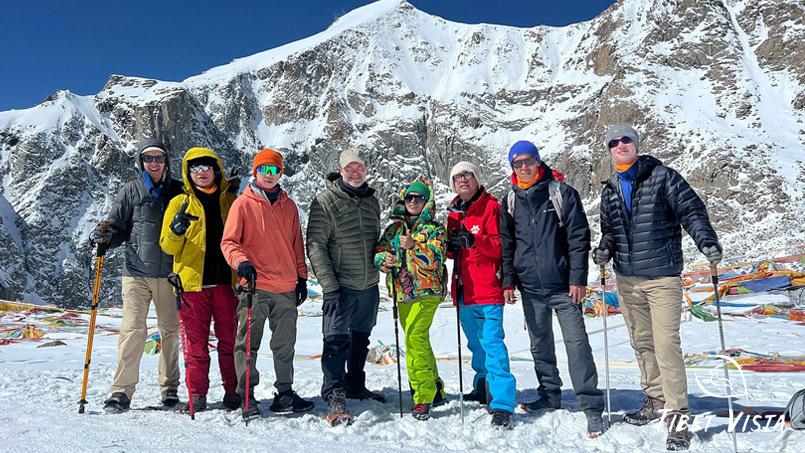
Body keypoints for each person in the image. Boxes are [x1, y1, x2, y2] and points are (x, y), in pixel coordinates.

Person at [593, 124, 722, 450]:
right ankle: (654, 399)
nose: (620, 145)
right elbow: (609, 229)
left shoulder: (663, 177)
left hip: (662, 278)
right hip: (627, 279)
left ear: (635, 144)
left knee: (666, 347)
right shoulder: (609, 189)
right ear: (609, 149)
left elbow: (691, 209)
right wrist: (605, 247)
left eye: (625, 140)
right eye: (614, 141)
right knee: (642, 344)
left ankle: (678, 419)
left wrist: (705, 240)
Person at [499, 140, 605, 437]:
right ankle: (549, 394)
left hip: (563, 286)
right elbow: (507, 246)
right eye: (517, 163)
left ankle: (591, 407)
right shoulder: (509, 199)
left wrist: (578, 279)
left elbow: (578, 238)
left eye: (528, 160)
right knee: (540, 345)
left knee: (577, 345)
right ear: (512, 167)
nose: (523, 166)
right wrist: (508, 280)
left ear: (538, 161)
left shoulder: (561, 193)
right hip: (530, 287)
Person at [221, 148, 314, 419]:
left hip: (285, 287)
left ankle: (284, 393)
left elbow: (297, 244)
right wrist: (241, 262)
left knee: (285, 345)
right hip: (255, 287)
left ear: (280, 173)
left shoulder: (289, 205)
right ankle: (246, 395)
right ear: (256, 171)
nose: (269, 175)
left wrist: (301, 278)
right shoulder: (243, 203)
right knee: (248, 344)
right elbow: (229, 242)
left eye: (274, 170)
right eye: (264, 169)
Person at [92, 138, 184, 413]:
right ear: (140, 162)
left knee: (170, 331)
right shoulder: (131, 191)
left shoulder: (179, 191)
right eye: (148, 159)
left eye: (158, 158)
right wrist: (106, 237)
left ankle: (169, 389)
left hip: (168, 274)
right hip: (135, 274)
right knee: (133, 330)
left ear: (167, 161)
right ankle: (121, 391)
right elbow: (118, 227)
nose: (153, 163)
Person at [159, 146, 240, 412]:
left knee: (230, 343)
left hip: (227, 285)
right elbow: (167, 246)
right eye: (194, 168)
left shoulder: (231, 201)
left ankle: (233, 392)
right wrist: (176, 230)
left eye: (206, 167)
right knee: (195, 346)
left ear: (216, 169)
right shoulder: (179, 203)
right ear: (187, 172)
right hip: (192, 287)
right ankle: (197, 396)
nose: (201, 172)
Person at [306, 148, 382, 426]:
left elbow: (377, 241)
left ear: (366, 169)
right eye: (349, 167)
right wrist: (329, 286)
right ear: (340, 170)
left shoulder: (372, 201)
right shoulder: (326, 201)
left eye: (359, 166)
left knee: (361, 339)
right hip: (340, 285)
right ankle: (334, 393)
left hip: (369, 284)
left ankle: (355, 385)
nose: (355, 171)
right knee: (336, 341)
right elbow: (315, 245)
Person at [446, 161, 517, 429]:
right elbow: (454, 251)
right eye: (457, 177)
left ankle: (501, 403)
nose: (463, 180)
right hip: (464, 291)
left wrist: (475, 241)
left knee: (493, 345)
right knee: (476, 345)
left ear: (476, 179)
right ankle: (483, 385)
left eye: (467, 175)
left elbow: (501, 246)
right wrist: (452, 246)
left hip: (487, 290)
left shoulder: (491, 207)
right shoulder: (453, 212)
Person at [374, 178, 448, 421]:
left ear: (427, 201)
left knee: (414, 337)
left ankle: (422, 396)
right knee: (419, 341)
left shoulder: (434, 229)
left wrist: (413, 245)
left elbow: (437, 256)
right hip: (402, 293)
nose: (413, 202)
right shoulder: (394, 230)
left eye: (418, 198)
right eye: (409, 198)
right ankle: (435, 388)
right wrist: (384, 260)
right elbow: (378, 252)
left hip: (427, 292)